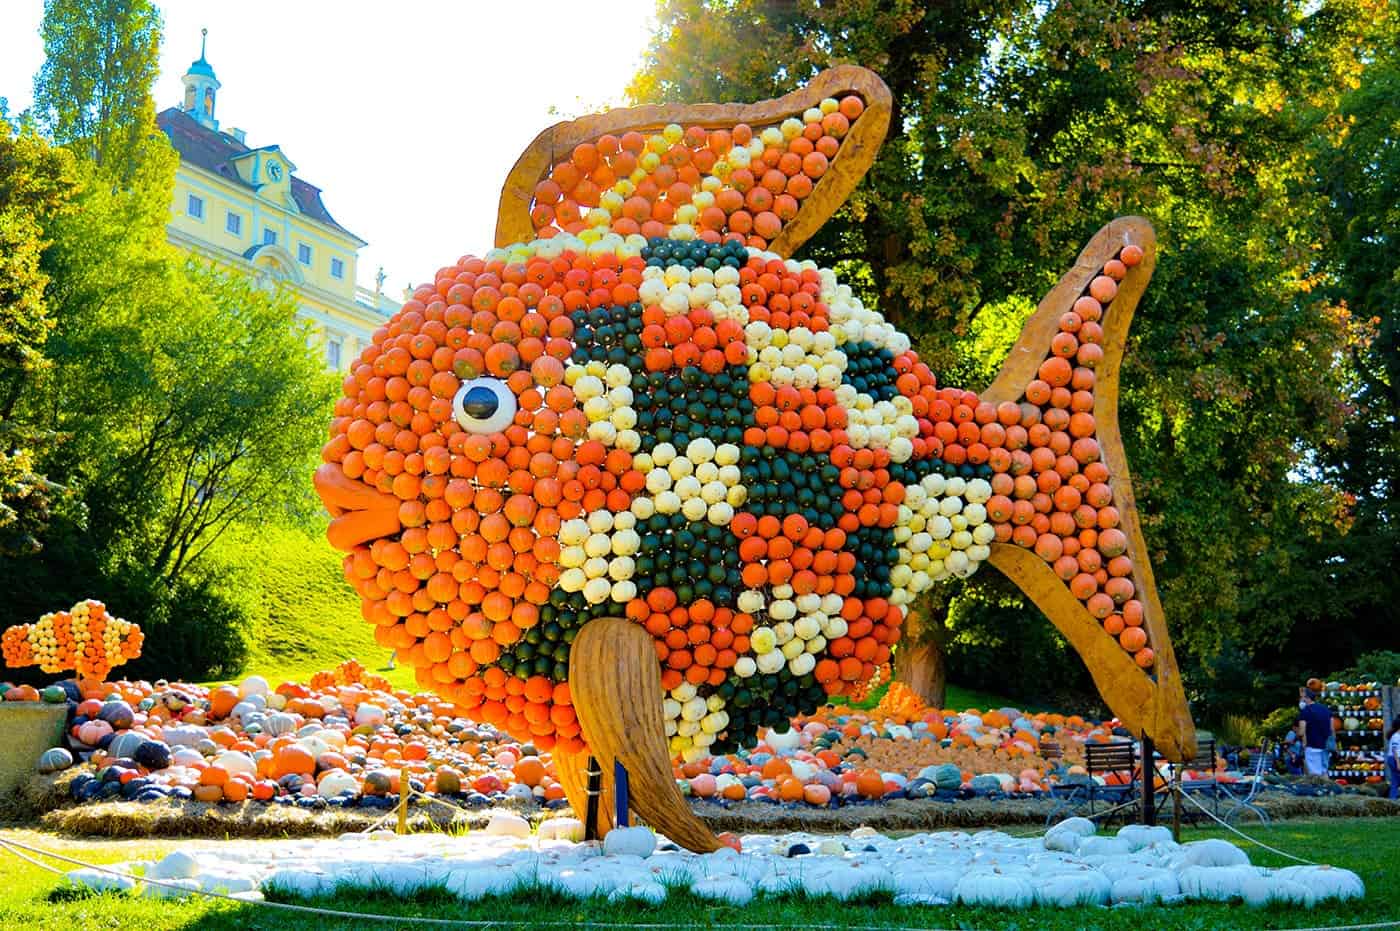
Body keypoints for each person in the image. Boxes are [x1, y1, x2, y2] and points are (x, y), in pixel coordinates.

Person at [1297, 688, 1333, 777]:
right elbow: (1332, 729)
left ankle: (1318, 787)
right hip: (1325, 746)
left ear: (1307, 698)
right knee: (1324, 772)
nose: (1300, 700)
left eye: (1301, 697)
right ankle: (1327, 786)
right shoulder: (1325, 709)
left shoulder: (1305, 711)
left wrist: (1299, 739)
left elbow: (1301, 732)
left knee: (1315, 775)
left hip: (1312, 746)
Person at [1387, 714, 1400, 801]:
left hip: (1394, 759)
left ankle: (1393, 799)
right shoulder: (1396, 736)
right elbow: (1394, 750)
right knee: (1395, 781)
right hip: (1395, 759)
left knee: (1395, 781)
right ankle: (1393, 798)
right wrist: (1398, 763)